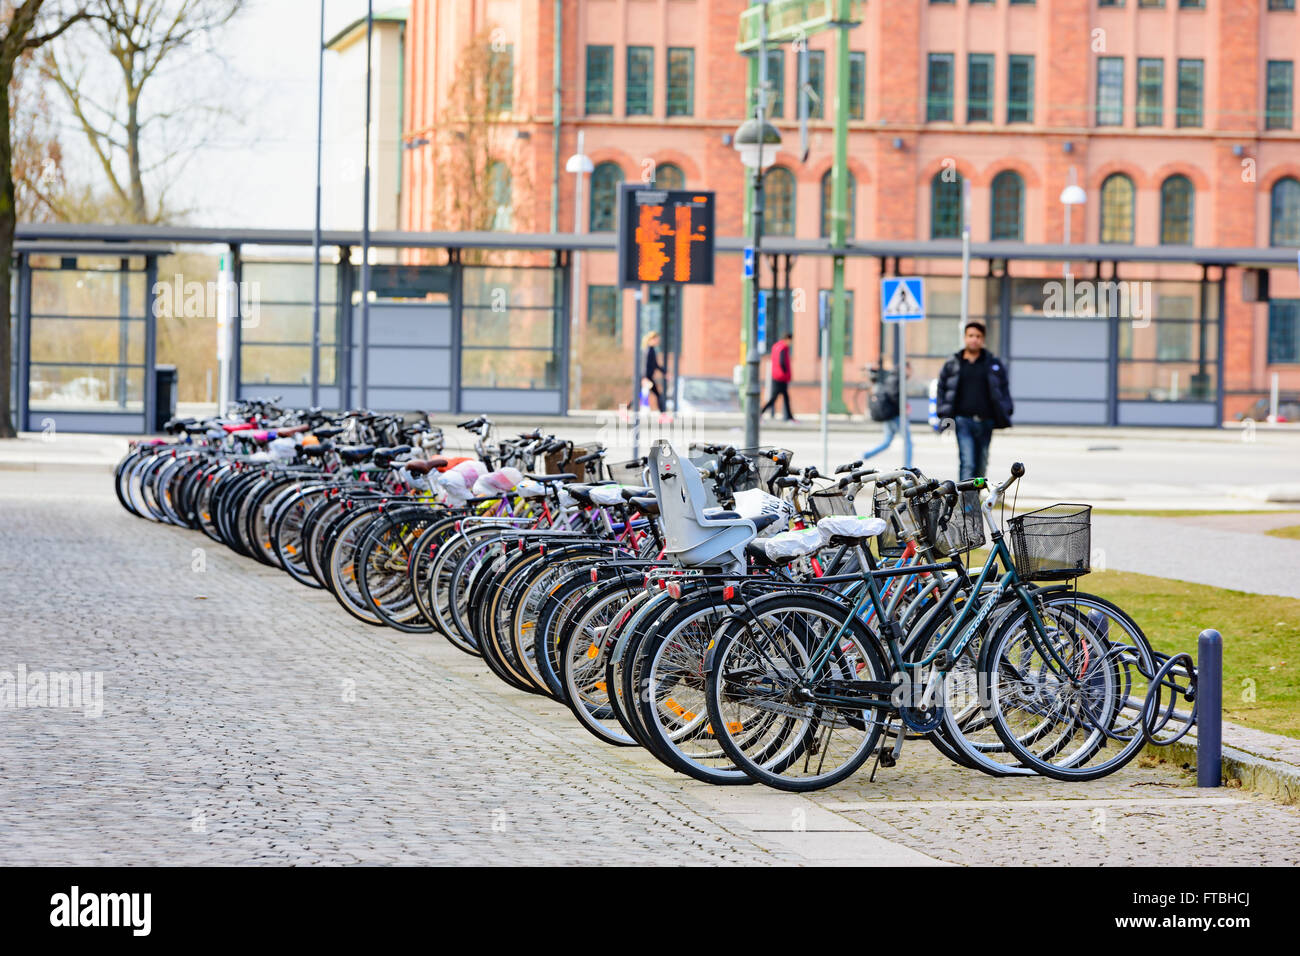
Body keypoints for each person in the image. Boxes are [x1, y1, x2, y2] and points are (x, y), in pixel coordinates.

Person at [935, 321, 1014, 480]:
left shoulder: (992, 363)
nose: (974, 339)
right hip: (963, 421)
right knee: (968, 463)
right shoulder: (953, 364)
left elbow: (1003, 389)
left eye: (978, 336)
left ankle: (974, 502)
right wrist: (942, 411)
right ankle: (966, 505)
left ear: (983, 339)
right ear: (965, 338)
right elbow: (942, 388)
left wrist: (1006, 409)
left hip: (986, 422)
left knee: (981, 465)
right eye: (971, 336)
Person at [863, 361, 910, 460]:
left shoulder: (893, 378)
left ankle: (866, 455)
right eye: (910, 370)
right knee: (908, 441)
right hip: (894, 415)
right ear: (905, 369)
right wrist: (903, 408)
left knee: (887, 442)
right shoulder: (896, 379)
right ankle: (908, 467)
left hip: (890, 414)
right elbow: (894, 397)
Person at [761, 332, 796, 422]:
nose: (791, 343)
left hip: (776, 376)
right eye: (791, 341)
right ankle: (760, 413)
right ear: (788, 339)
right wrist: (785, 372)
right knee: (774, 398)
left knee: (785, 397)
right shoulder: (783, 348)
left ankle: (789, 417)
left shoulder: (776, 347)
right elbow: (782, 362)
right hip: (781, 377)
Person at [642, 331, 665, 413]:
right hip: (647, 378)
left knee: (639, 395)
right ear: (652, 339)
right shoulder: (648, 350)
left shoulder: (651, 350)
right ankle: (663, 414)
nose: (658, 341)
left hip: (648, 377)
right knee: (657, 395)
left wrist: (664, 372)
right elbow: (645, 365)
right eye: (657, 339)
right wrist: (644, 378)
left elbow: (655, 365)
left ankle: (625, 409)